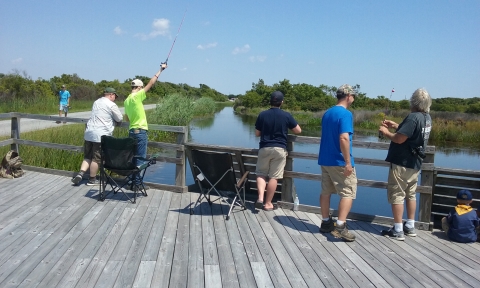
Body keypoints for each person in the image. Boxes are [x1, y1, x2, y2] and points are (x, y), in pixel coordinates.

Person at [379, 88, 432, 241]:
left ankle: (397, 229)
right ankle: (410, 225)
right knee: (411, 194)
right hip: (415, 163)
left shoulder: (413, 117)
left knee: (397, 194)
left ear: (413, 101)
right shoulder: (427, 117)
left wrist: (385, 131)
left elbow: (399, 139)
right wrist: (396, 125)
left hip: (402, 162)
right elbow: (412, 134)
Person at [318, 84, 357, 242]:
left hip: (325, 160)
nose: (354, 98)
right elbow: (343, 138)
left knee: (326, 191)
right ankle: (340, 226)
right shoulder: (345, 114)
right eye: (353, 95)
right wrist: (348, 162)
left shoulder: (328, 113)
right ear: (348, 96)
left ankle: (326, 222)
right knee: (348, 192)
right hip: (339, 161)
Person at [254, 91, 301, 211]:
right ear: (282, 102)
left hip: (264, 148)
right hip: (280, 149)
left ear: (270, 102)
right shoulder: (286, 115)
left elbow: (257, 133)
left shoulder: (262, 115)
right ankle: (268, 203)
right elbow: (298, 131)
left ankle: (260, 197)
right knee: (274, 177)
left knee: (261, 173)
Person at [124, 63, 167, 190]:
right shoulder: (137, 96)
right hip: (140, 131)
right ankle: (137, 184)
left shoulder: (126, 100)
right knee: (140, 158)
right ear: (138, 87)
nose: (143, 89)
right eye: (141, 87)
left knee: (133, 157)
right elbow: (151, 83)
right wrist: (161, 70)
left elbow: (127, 118)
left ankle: (131, 182)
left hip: (132, 131)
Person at [71, 88, 123, 186]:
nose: (115, 98)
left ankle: (80, 174)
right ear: (111, 95)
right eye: (115, 96)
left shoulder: (96, 102)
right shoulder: (111, 105)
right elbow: (119, 118)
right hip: (100, 135)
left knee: (87, 156)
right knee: (96, 159)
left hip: (89, 132)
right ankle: (92, 179)